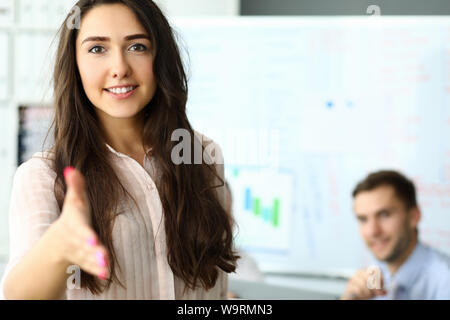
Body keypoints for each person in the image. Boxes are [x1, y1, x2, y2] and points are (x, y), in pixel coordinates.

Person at [0, 0, 238, 300]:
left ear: (159, 57)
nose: (120, 68)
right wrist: (58, 246)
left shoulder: (202, 155)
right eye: (97, 49)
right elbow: (20, 295)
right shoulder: (43, 176)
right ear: (75, 65)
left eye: (137, 46)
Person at [341, 170, 450, 300]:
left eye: (384, 215)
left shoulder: (444, 281)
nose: (372, 231)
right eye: (363, 219)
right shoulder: (376, 271)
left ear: (414, 217)